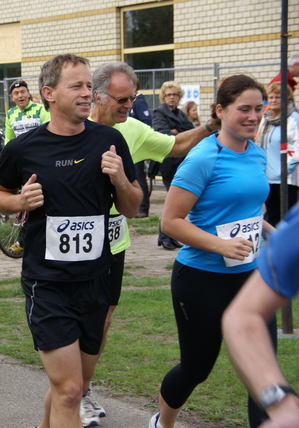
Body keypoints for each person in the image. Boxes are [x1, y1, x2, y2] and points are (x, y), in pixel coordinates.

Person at [0, 53, 142, 428]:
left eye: (90, 85)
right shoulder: (25, 147)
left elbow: (132, 206)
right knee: (71, 389)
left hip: (95, 281)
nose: (88, 93)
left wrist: (120, 178)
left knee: (73, 386)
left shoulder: (109, 139)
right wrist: (19, 202)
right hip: (48, 283)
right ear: (49, 94)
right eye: (77, 86)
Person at [84, 60, 222, 427]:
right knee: (76, 320)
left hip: (113, 243)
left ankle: (82, 388)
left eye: (133, 98)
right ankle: (71, 390)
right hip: (75, 244)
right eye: (122, 99)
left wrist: (209, 126)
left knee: (104, 318)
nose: (130, 106)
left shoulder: (131, 128)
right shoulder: (73, 127)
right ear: (98, 96)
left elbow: (176, 145)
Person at [149, 75, 273, 428]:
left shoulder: (257, 153)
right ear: (220, 110)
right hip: (202, 278)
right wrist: (221, 245)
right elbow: (171, 221)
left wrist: (272, 233)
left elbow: (250, 209)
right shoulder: (203, 157)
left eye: (258, 108)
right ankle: (164, 422)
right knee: (197, 367)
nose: (253, 116)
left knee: (263, 369)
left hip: (251, 276)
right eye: (243, 109)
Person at [223, 202, 299, 428]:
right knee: (196, 367)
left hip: (248, 261)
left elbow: (255, 210)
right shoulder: (200, 165)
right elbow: (243, 317)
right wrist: (280, 401)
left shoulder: (258, 164)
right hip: (207, 269)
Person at [153, 81, 195, 250]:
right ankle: (165, 236)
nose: (172, 98)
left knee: (176, 200)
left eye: (175, 95)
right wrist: (177, 132)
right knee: (172, 199)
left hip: (182, 160)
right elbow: (162, 133)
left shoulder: (180, 114)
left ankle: (168, 236)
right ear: (163, 97)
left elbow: (189, 130)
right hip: (169, 161)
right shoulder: (159, 112)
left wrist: (178, 131)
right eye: (169, 95)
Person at [255, 82, 299, 227]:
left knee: (287, 219)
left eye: (278, 97)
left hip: (286, 179)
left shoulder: (294, 119)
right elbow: (260, 143)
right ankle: (272, 247)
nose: (273, 100)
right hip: (267, 176)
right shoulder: (266, 119)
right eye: (271, 97)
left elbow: (297, 148)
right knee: (272, 217)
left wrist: (284, 169)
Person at [129, 77, 153, 218]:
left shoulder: (138, 101)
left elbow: (146, 121)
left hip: (137, 145)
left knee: (139, 177)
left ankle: (142, 208)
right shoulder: (132, 101)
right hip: (131, 145)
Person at [3, 79, 51, 145]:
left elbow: (49, 133)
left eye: (23, 92)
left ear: (28, 93)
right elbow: (9, 140)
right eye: (16, 93)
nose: (20, 96)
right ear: (12, 97)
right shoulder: (10, 114)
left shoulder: (41, 109)